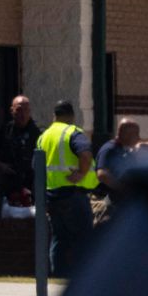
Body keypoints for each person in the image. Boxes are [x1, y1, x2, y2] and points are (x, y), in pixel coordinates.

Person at [37, 99, 97, 277]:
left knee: (59, 239)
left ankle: (58, 276)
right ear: (71, 115)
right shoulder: (72, 132)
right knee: (84, 238)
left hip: (52, 196)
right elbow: (85, 154)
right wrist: (81, 173)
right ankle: (83, 279)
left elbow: (37, 166)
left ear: (54, 115)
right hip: (73, 194)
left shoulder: (43, 136)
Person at [0, 95, 40, 202]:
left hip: (31, 184)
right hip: (9, 184)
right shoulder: (6, 130)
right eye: (19, 110)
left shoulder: (36, 132)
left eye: (26, 110)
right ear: (12, 111)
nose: (23, 114)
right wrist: (1, 166)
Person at [93, 118, 140, 226]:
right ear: (126, 135)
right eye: (136, 134)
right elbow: (102, 174)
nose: (138, 137)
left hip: (121, 205)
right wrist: (122, 188)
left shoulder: (126, 150)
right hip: (107, 204)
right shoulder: (110, 149)